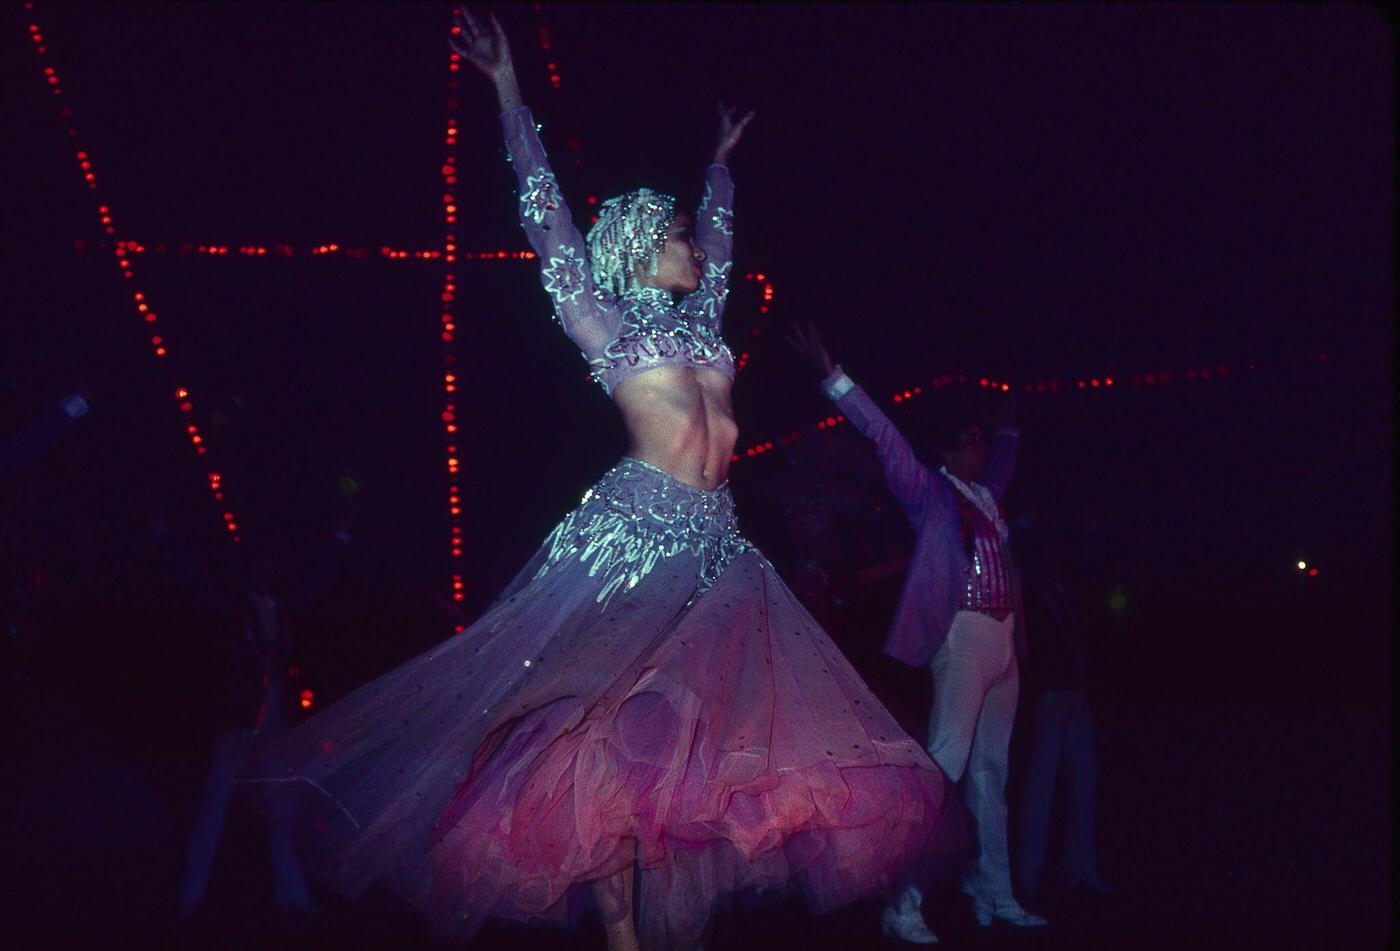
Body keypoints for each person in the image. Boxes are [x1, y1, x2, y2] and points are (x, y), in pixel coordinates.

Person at [239, 11, 966, 951]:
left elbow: (722, 237)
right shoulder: (602, 321)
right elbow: (542, 210)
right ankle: (617, 930)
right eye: (669, 232)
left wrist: (719, 165)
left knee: (683, 756)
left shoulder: (704, 317)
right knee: (596, 737)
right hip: (630, 542)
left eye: (684, 231)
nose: (688, 242)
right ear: (633, 248)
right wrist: (507, 90)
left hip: (719, 550)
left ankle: (648, 929)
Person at [790, 322, 1047, 941]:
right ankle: (901, 900)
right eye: (975, 440)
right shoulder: (929, 492)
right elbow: (882, 433)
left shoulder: (987, 494)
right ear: (951, 451)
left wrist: (1010, 426)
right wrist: (834, 376)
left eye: (985, 440)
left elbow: (1007, 459)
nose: (983, 448)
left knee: (992, 774)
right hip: (961, 636)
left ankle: (994, 889)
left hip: (1004, 639)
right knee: (944, 766)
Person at [1013, 529, 1111, 900]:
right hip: (1052, 696)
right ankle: (1030, 870)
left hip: (1075, 696)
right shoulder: (1034, 597)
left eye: (1060, 553)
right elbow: (1029, 646)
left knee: (1083, 782)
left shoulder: (1066, 597)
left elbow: (1079, 646)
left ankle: (1081, 867)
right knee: (1043, 782)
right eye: (1051, 554)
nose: (1057, 560)